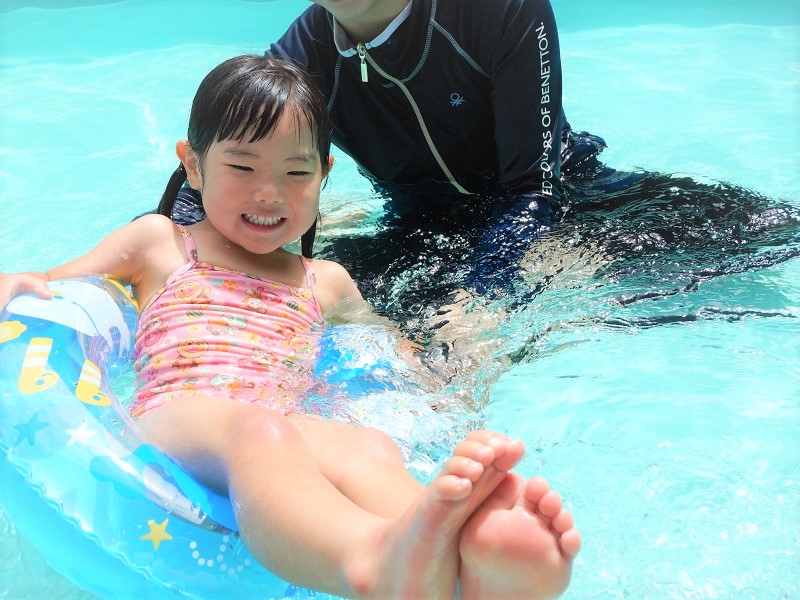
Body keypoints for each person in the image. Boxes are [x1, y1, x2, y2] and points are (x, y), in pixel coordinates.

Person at [0, 55, 580, 599]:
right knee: (258, 433)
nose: (269, 192)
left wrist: (450, 373)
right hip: (177, 418)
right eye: (243, 166)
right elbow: (51, 288)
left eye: (297, 171)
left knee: (365, 446)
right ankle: (372, 562)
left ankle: (458, 560)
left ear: (325, 173)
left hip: (277, 425)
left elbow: (391, 352)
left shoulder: (325, 281)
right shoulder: (161, 242)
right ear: (193, 165)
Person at [170, 0, 611, 302]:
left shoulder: (496, 9)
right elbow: (206, 178)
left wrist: (479, 298)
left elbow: (534, 187)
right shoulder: (305, 53)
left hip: (568, 205)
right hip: (418, 226)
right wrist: (170, 262)